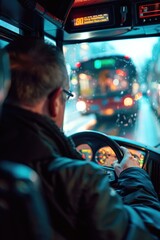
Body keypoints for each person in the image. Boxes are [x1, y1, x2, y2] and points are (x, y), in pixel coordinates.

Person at [0, 38, 159, 240]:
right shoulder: (79, 181)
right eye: (66, 97)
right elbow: (150, 230)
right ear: (55, 101)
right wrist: (134, 174)